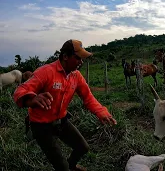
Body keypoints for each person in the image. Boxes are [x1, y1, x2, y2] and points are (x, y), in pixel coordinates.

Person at [13, 39, 117, 171]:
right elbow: (19, 92)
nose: (81, 62)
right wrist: (32, 99)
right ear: (65, 56)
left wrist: (102, 113)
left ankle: (72, 166)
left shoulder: (76, 76)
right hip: (41, 125)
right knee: (62, 167)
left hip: (61, 121)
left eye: (82, 59)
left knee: (83, 148)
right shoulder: (45, 72)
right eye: (78, 58)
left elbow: (88, 97)